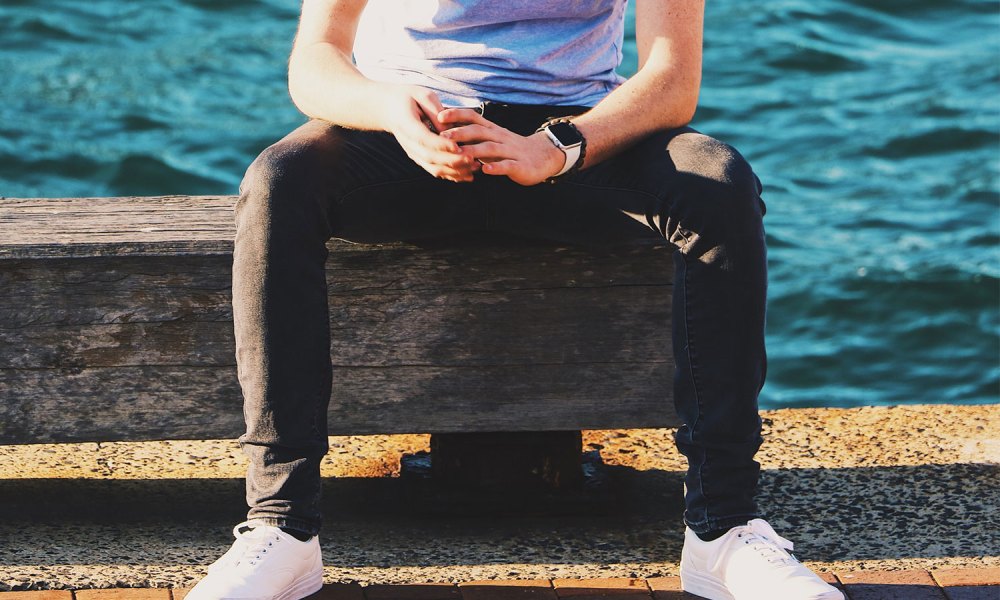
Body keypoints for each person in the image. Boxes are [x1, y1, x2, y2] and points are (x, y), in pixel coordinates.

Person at [186, 1, 844, 599]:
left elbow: (673, 76)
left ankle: (723, 531)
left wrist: (558, 147)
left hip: (574, 136)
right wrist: (394, 112)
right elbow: (316, 59)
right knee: (277, 185)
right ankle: (283, 529)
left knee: (719, 185)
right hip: (408, 136)